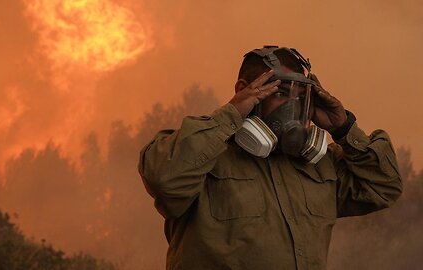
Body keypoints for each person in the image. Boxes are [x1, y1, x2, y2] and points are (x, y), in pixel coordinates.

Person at [138, 45, 402, 270]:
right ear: (245, 89)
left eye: (301, 97)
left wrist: (343, 128)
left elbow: (384, 186)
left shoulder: (319, 165)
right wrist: (231, 114)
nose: (293, 105)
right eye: (280, 93)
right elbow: (164, 179)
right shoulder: (206, 156)